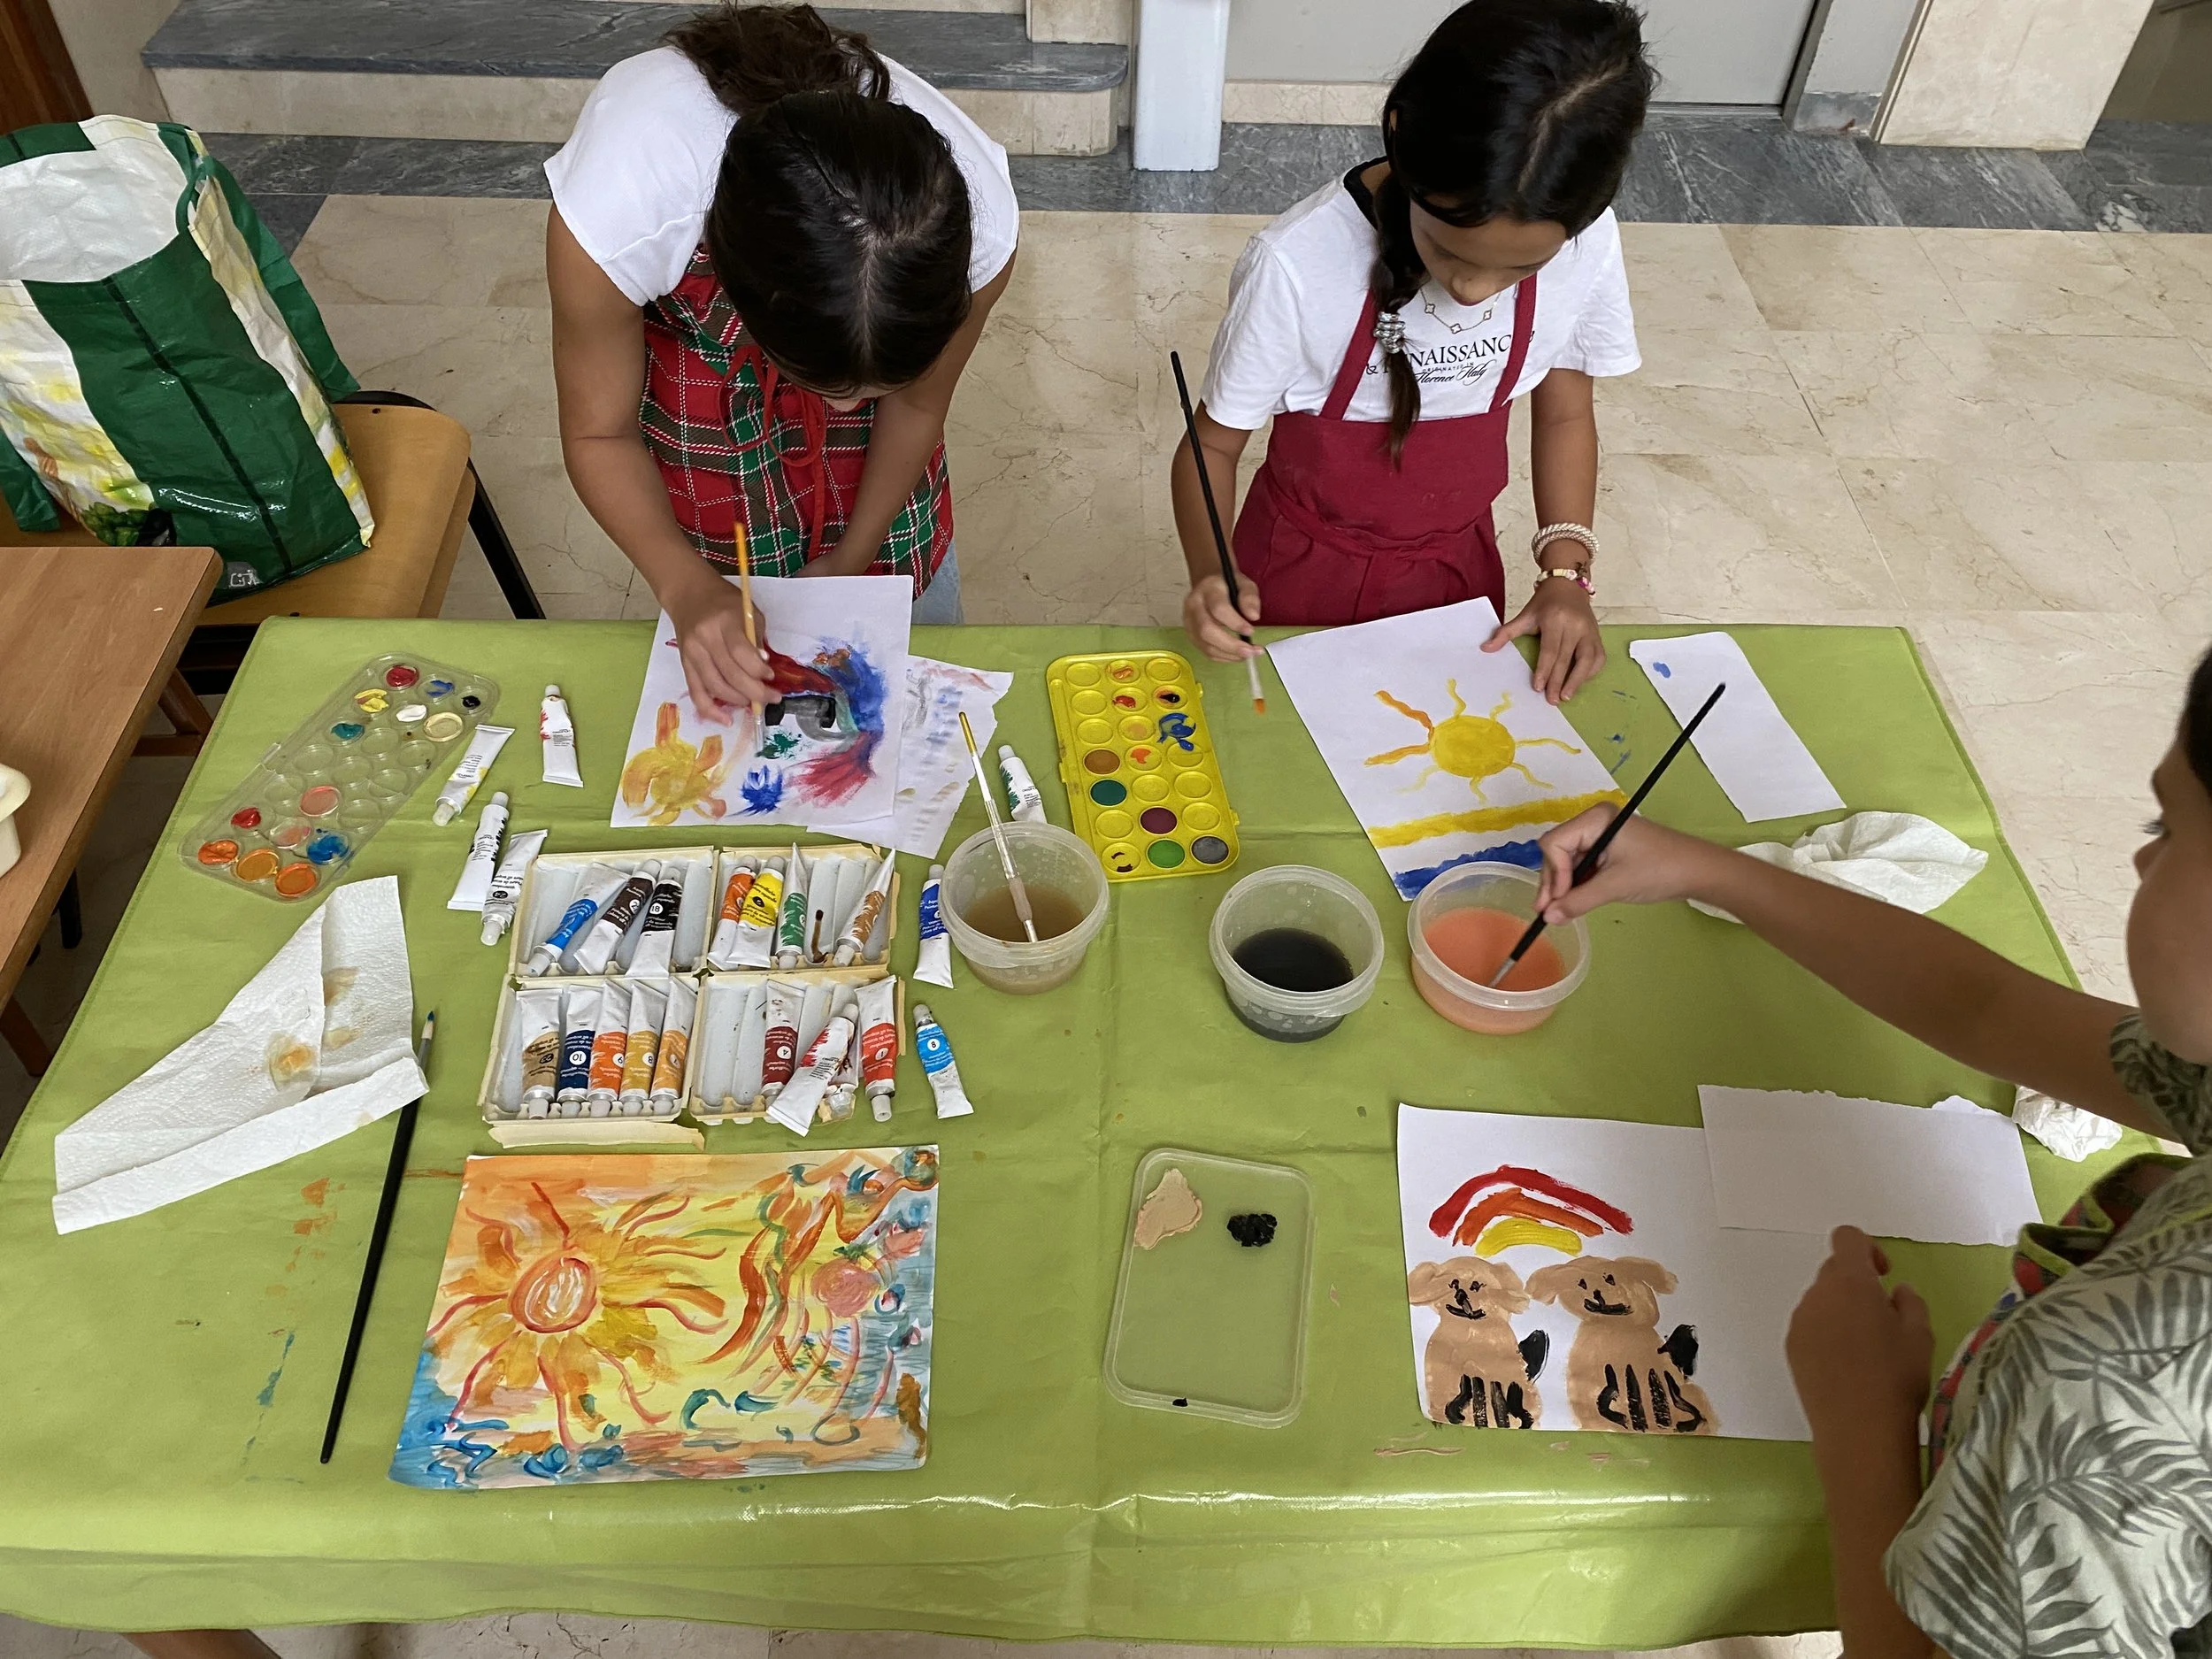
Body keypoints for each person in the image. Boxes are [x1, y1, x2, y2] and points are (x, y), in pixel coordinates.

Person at [1531, 649, 2212, 1659]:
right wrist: (1714, 870)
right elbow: (1985, 1007)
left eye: (2168, 829)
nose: (2139, 863)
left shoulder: (2109, 1381)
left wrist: (1861, 1431)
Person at [1172, 0, 1651, 704]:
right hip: (1298, 575)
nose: (1472, 291)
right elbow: (1211, 447)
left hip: (1459, 568)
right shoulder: (1297, 268)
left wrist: (1564, 577)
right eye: (1451, 251)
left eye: (1520, 270)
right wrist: (1211, 574)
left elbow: (1565, 415)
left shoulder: (1588, 242)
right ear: (1399, 132)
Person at [546, 4, 1017, 718]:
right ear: (743, 297)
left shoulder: (974, 230)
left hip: (884, 490)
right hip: (712, 441)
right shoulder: (625, 204)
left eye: (872, 390)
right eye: (824, 385)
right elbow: (598, 431)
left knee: (913, 705)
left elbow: (918, 406)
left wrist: (853, 559)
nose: (844, 413)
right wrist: (685, 585)